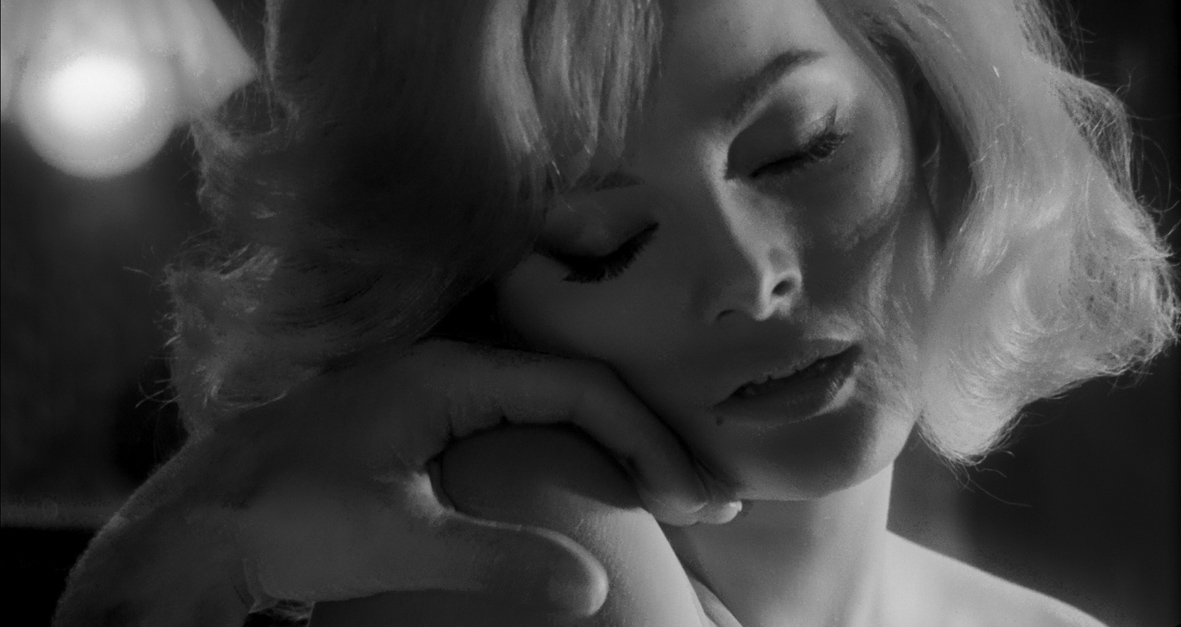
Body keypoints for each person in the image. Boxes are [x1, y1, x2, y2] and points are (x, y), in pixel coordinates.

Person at [53, 0, 1176, 625]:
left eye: (800, 147)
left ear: (929, 110)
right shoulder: (522, 549)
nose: (748, 275)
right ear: (469, 299)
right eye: (603, 242)